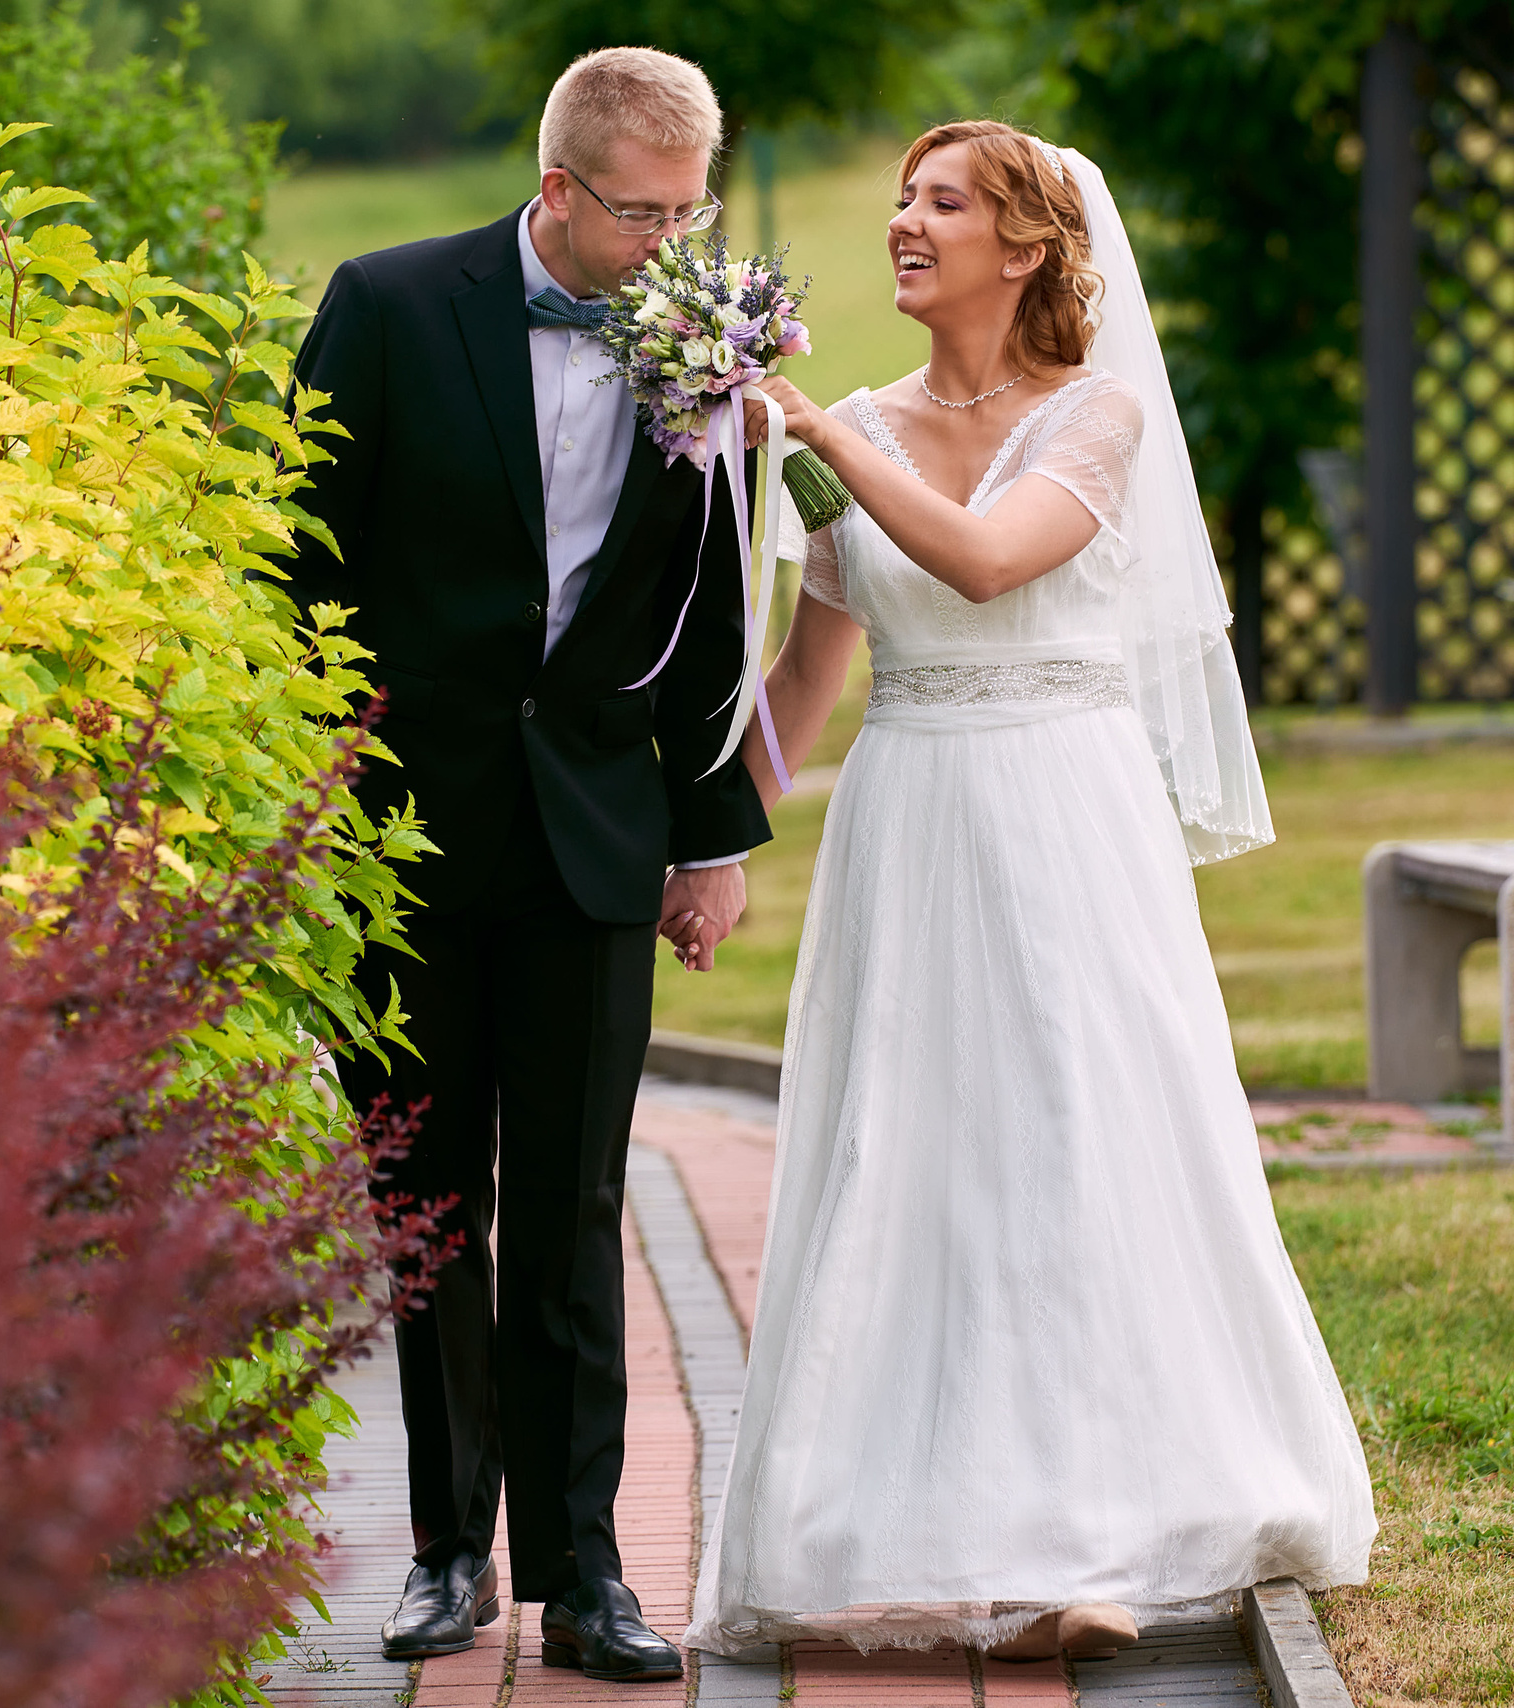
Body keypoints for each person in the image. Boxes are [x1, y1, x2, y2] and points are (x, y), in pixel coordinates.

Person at [682, 121, 1376, 1662]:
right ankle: (910, 1521)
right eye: (902, 198)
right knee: (912, 1155)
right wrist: (713, 841)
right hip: (909, 815)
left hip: (1067, 814)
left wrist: (822, 441)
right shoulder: (850, 423)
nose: (905, 223)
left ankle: (1096, 1543)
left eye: (944, 203)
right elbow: (805, 681)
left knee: (1074, 1140)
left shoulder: (1099, 419)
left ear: (1031, 248)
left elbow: (992, 562)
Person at [285, 48, 772, 1684]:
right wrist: (317, 807)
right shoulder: (387, 305)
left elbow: (713, 612)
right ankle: (444, 1550)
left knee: (572, 1210)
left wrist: (710, 838)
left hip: (594, 838)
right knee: (425, 1199)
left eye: (687, 211)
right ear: (558, 188)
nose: (669, 243)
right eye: (641, 212)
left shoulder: (697, 350)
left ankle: (587, 1578)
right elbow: (298, 560)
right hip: (406, 836)